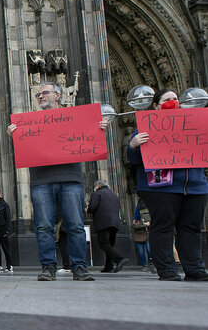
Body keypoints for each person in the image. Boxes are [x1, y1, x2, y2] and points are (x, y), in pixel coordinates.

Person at [7, 82, 106, 281]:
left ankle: (79, 267)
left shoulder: (75, 119)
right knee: (43, 226)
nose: (41, 97)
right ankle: (48, 267)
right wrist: (14, 136)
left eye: (45, 93)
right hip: (41, 180)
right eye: (38, 95)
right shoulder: (30, 123)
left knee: (76, 225)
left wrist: (99, 128)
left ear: (58, 95)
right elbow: (24, 150)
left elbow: (89, 139)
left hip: (70, 178)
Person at [126, 89, 208, 281]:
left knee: (191, 228)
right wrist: (133, 145)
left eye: (175, 99)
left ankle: (194, 268)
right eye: (167, 100)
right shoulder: (148, 125)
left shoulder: (195, 123)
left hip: (194, 185)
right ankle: (167, 269)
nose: (172, 102)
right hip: (162, 187)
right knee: (163, 227)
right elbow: (135, 160)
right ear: (156, 105)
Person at [86, 179, 128, 273]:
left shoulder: (96, 194)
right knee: (110, 245)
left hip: (103, 222)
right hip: (115, 222)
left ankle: (119, 259)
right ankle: (108, 266)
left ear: (97, 186)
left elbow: (92, 207)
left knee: (103, 244)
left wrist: (87, 209)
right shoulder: (114, 195)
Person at [132, 198, 154, 273]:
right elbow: (134, 223)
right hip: (139, 234)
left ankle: (151, 264)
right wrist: (144, 225)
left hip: (147, 235)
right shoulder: (138, 213)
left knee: (149, 250)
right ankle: (144, 265)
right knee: (141, 252)